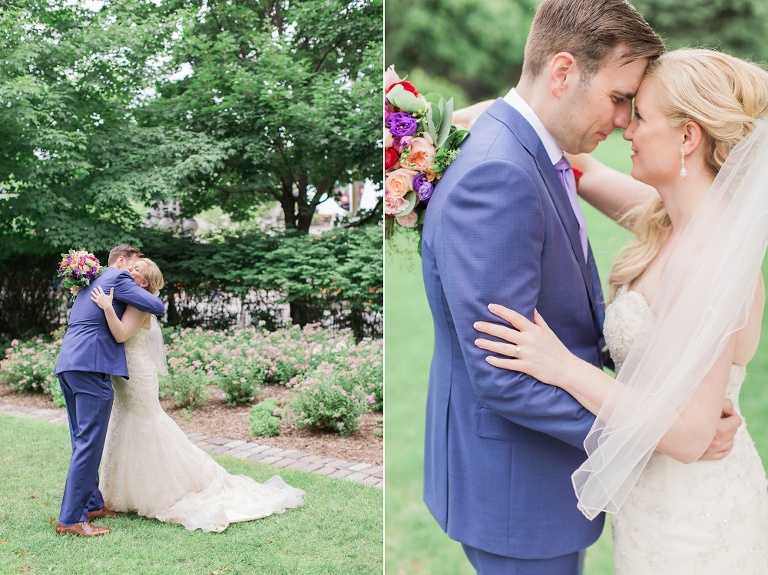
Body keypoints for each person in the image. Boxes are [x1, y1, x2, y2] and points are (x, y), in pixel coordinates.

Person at [473, 48, 768, 573]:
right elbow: (563, 157)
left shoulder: (712, 260)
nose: (625, 129)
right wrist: (418, 131)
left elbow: (689, 435)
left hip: (694, 519)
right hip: (652, 505)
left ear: (687, 137)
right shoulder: (667, 217)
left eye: (640, 116)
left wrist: (561, 365)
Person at [419, 0, 668, 571]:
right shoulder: (498, 172)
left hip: (533, 484)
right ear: (562, 73)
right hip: (519, 493)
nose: (626, 119)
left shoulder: (533, 152)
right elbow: (504, 375)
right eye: (619, 97)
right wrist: (637, 443)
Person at [90, 258, 304, 532]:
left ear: (144, 282)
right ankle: (118, 491)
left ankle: (160, 489)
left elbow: (120, 335)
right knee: (123, 423)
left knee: (146, 424)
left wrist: (107, 308)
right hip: (124, 373)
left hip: (137, 374)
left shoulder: (140, 302)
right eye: (131, 266)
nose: (130, 270)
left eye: (136, 270)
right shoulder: (128, 296)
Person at [53, 244, 166, 537]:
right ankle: (71, 520)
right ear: (121, 261)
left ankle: (92, 504)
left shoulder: (89, 282)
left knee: (81, 440)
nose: (133, 271)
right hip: (91, 368)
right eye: (134, 264)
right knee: (89, 443)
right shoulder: (117, 278)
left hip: (69, 364)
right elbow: (157, 306)